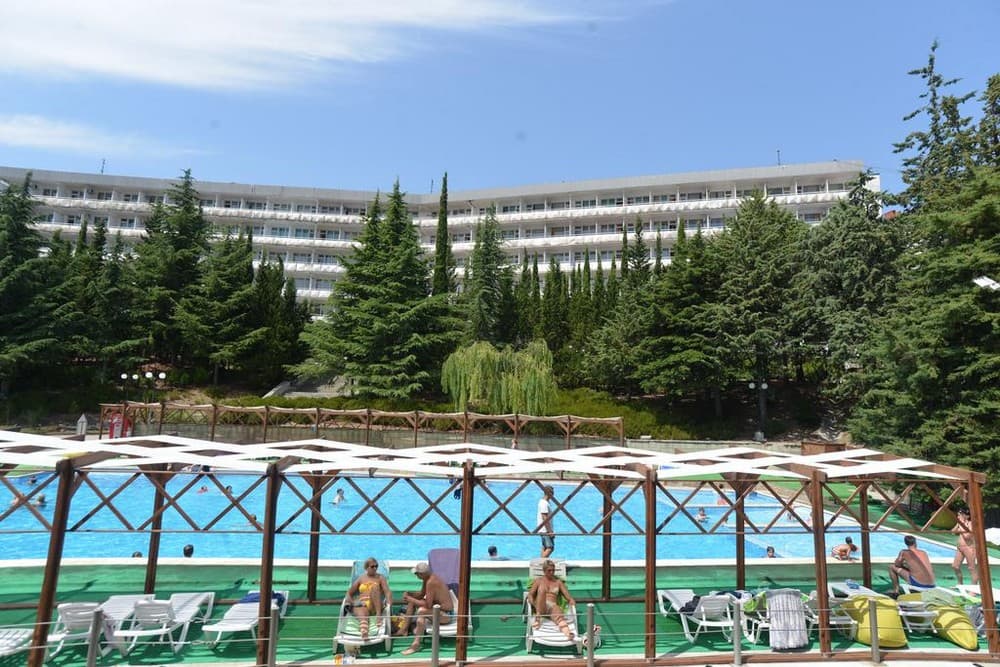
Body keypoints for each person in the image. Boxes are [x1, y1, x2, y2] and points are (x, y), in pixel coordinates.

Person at [398, 562, 454, 655]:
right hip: (438, 611)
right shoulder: (427, 579)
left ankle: (416, 644)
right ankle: (404, 629)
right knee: (412, 603)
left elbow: (428, 605)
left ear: (422, 574)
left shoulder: (431, 582)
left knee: (421, 611)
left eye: (417, 573)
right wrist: (410, 594)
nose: (416, 575)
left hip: (446, 615)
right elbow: (421, 595)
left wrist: (410, 598)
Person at [345, 557, 391, 641]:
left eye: (376, 566)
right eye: (372, 566)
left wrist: (389, 605)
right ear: (366, 568)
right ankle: (364, 631)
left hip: (375, 605)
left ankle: (378, 616)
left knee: (375, 587)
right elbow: (349, 593)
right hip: (362, 604)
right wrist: (353, 603)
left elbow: (387, 592)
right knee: (362, 612)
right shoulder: (361, 578)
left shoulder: (380, 577)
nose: (375, 568)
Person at [527, 559, 576, 640]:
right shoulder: (538, 581)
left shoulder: (558, 582)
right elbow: (530, 595)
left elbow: (568, 597)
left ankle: (568, 633)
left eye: (553, 570)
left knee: (559, 615)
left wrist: (571, 601)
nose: (552, 572)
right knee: (542, 590)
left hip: (552, 607)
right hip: (540, 606)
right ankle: (538, 619)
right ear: (544, 571)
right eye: (549, 570)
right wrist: (534, 604)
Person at [951, 508, 979, 585]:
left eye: (959, 515)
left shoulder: (971, 524)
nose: (958, 516)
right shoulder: (961, 523)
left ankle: (973, 587)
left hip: (969, 548)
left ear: (966, 516)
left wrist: (961, 524)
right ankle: (960, 584)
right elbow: (953, 532)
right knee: (955, 566)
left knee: (971, 568)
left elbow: (967, 537)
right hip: (960, 548)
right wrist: (959, 524)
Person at [537, 485, 555, 558]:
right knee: (550, 547)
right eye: (552, 493)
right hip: (545, 530)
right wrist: (550, 531)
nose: (553, 495)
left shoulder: (544, 502)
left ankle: (542, 562)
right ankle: (541, 562)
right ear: (549, 493)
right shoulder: (544, 503)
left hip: (544, 529)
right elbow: (544, 518)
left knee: (544, 547)